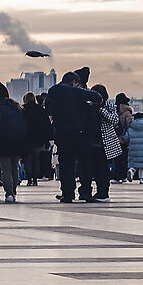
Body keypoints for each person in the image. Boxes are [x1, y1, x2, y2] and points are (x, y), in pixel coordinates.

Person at [46, 68, 89, 202]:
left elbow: (47, 107)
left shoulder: (53, 91)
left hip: (61, 132)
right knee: (84, 163)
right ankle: (85, 192)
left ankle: (68, 193)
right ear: (74, 82)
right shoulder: (75, 91)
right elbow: (95, 97)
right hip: (78, 132)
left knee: (66, 164)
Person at [0, 83, 26, 202]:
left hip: (3, 141)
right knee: (15, 167)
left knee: (6, 169)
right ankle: (13, 191)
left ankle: (8, 193)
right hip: (17, 141)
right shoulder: (17, 107)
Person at [21, 91, 52, 185]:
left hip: (26, 137)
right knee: (36, 159)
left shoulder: (22, 109)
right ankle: (35, 179)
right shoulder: (40, 109)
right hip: (38, 137)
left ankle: (29, 179)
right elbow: (46, 125)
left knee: (27, 159)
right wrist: (47, 138)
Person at [127, 108, 143, 183]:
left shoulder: (130, 129)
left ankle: (131, 170)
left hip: (132, 149)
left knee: (134, 163)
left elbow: (125, 138)